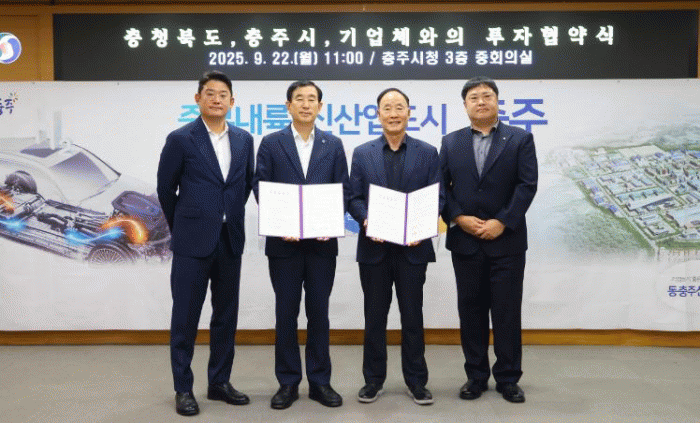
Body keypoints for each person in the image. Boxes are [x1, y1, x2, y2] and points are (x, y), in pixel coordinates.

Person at [157, 70, 254, 416]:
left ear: (232, 101)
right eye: (210, 93)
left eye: (223, 94)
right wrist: (186, 225)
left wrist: (227, 216)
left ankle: (219, 382)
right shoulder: (181, 139)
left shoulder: (244, 139)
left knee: (225, 316)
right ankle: (183, 388)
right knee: (185, 318)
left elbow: (243, 186)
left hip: (230, 240)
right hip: (191, 243)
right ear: (198, 99)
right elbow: (165, 189)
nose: (216, 99)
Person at [439, 76, 538, 404]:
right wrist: (458, 218)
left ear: (497, 101)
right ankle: (476, 377)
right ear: (465, 105)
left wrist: (503, 222)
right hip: (465, 242)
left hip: (506, 242)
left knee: (507, 313)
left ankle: (508, 378)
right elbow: (441, 187)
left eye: (487, 96)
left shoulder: (520, 139)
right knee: (471, 312)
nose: (481, 102)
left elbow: (527, 185)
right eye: (474, 98)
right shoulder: (450, 142)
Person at [253, 80, 349, 410]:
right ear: (288, 105)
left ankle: (320, 382)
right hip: (285, 245)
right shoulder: (271, 142)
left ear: (320, 107)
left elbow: (343, 189)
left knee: (319, 313)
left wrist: (330, 222)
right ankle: (288, 382)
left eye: (312, 99)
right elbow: (260, 186)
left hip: (322, 245)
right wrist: (282, 223)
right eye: (299, 99)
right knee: (286, 313)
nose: (306, 104)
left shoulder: (333, 144)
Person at [348, 88, 442, 405]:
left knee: (412, 316)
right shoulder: (363, 153)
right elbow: (353, 197)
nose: (393, 113)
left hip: (413, 249)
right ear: (378, 114)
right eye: (387, 108)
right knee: (374, 317)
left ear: (409, 113)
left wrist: (422, 227)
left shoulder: (428, 152)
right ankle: (373, 380)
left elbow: (438, 197)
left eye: (399, 107)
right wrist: (366, 220)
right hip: (374, 249)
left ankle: (417, 381)